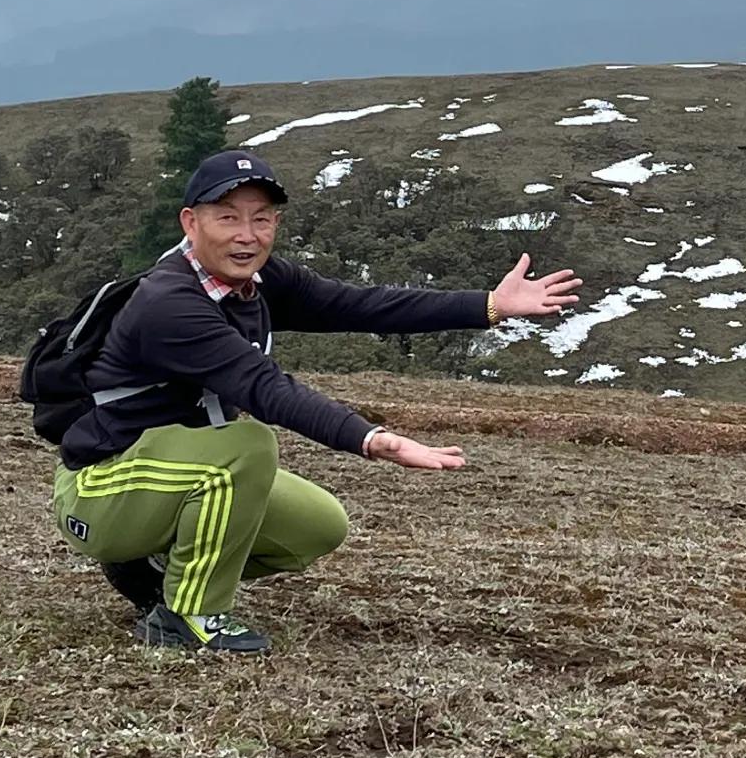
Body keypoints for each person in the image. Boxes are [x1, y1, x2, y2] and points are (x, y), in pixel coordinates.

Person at [53, 146, 581, 654]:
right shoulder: (170, 304)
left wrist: (489, 306)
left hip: (174, 472)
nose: (247, 236)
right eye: (228, 218)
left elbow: (361, 306)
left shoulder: (260, 281)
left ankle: (152, 567)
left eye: (262, 219)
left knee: (316, 527)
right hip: (105, 483)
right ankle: (187, 617)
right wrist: (369, 438)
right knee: (247, 447)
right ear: (191, 223)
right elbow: (264, 388)